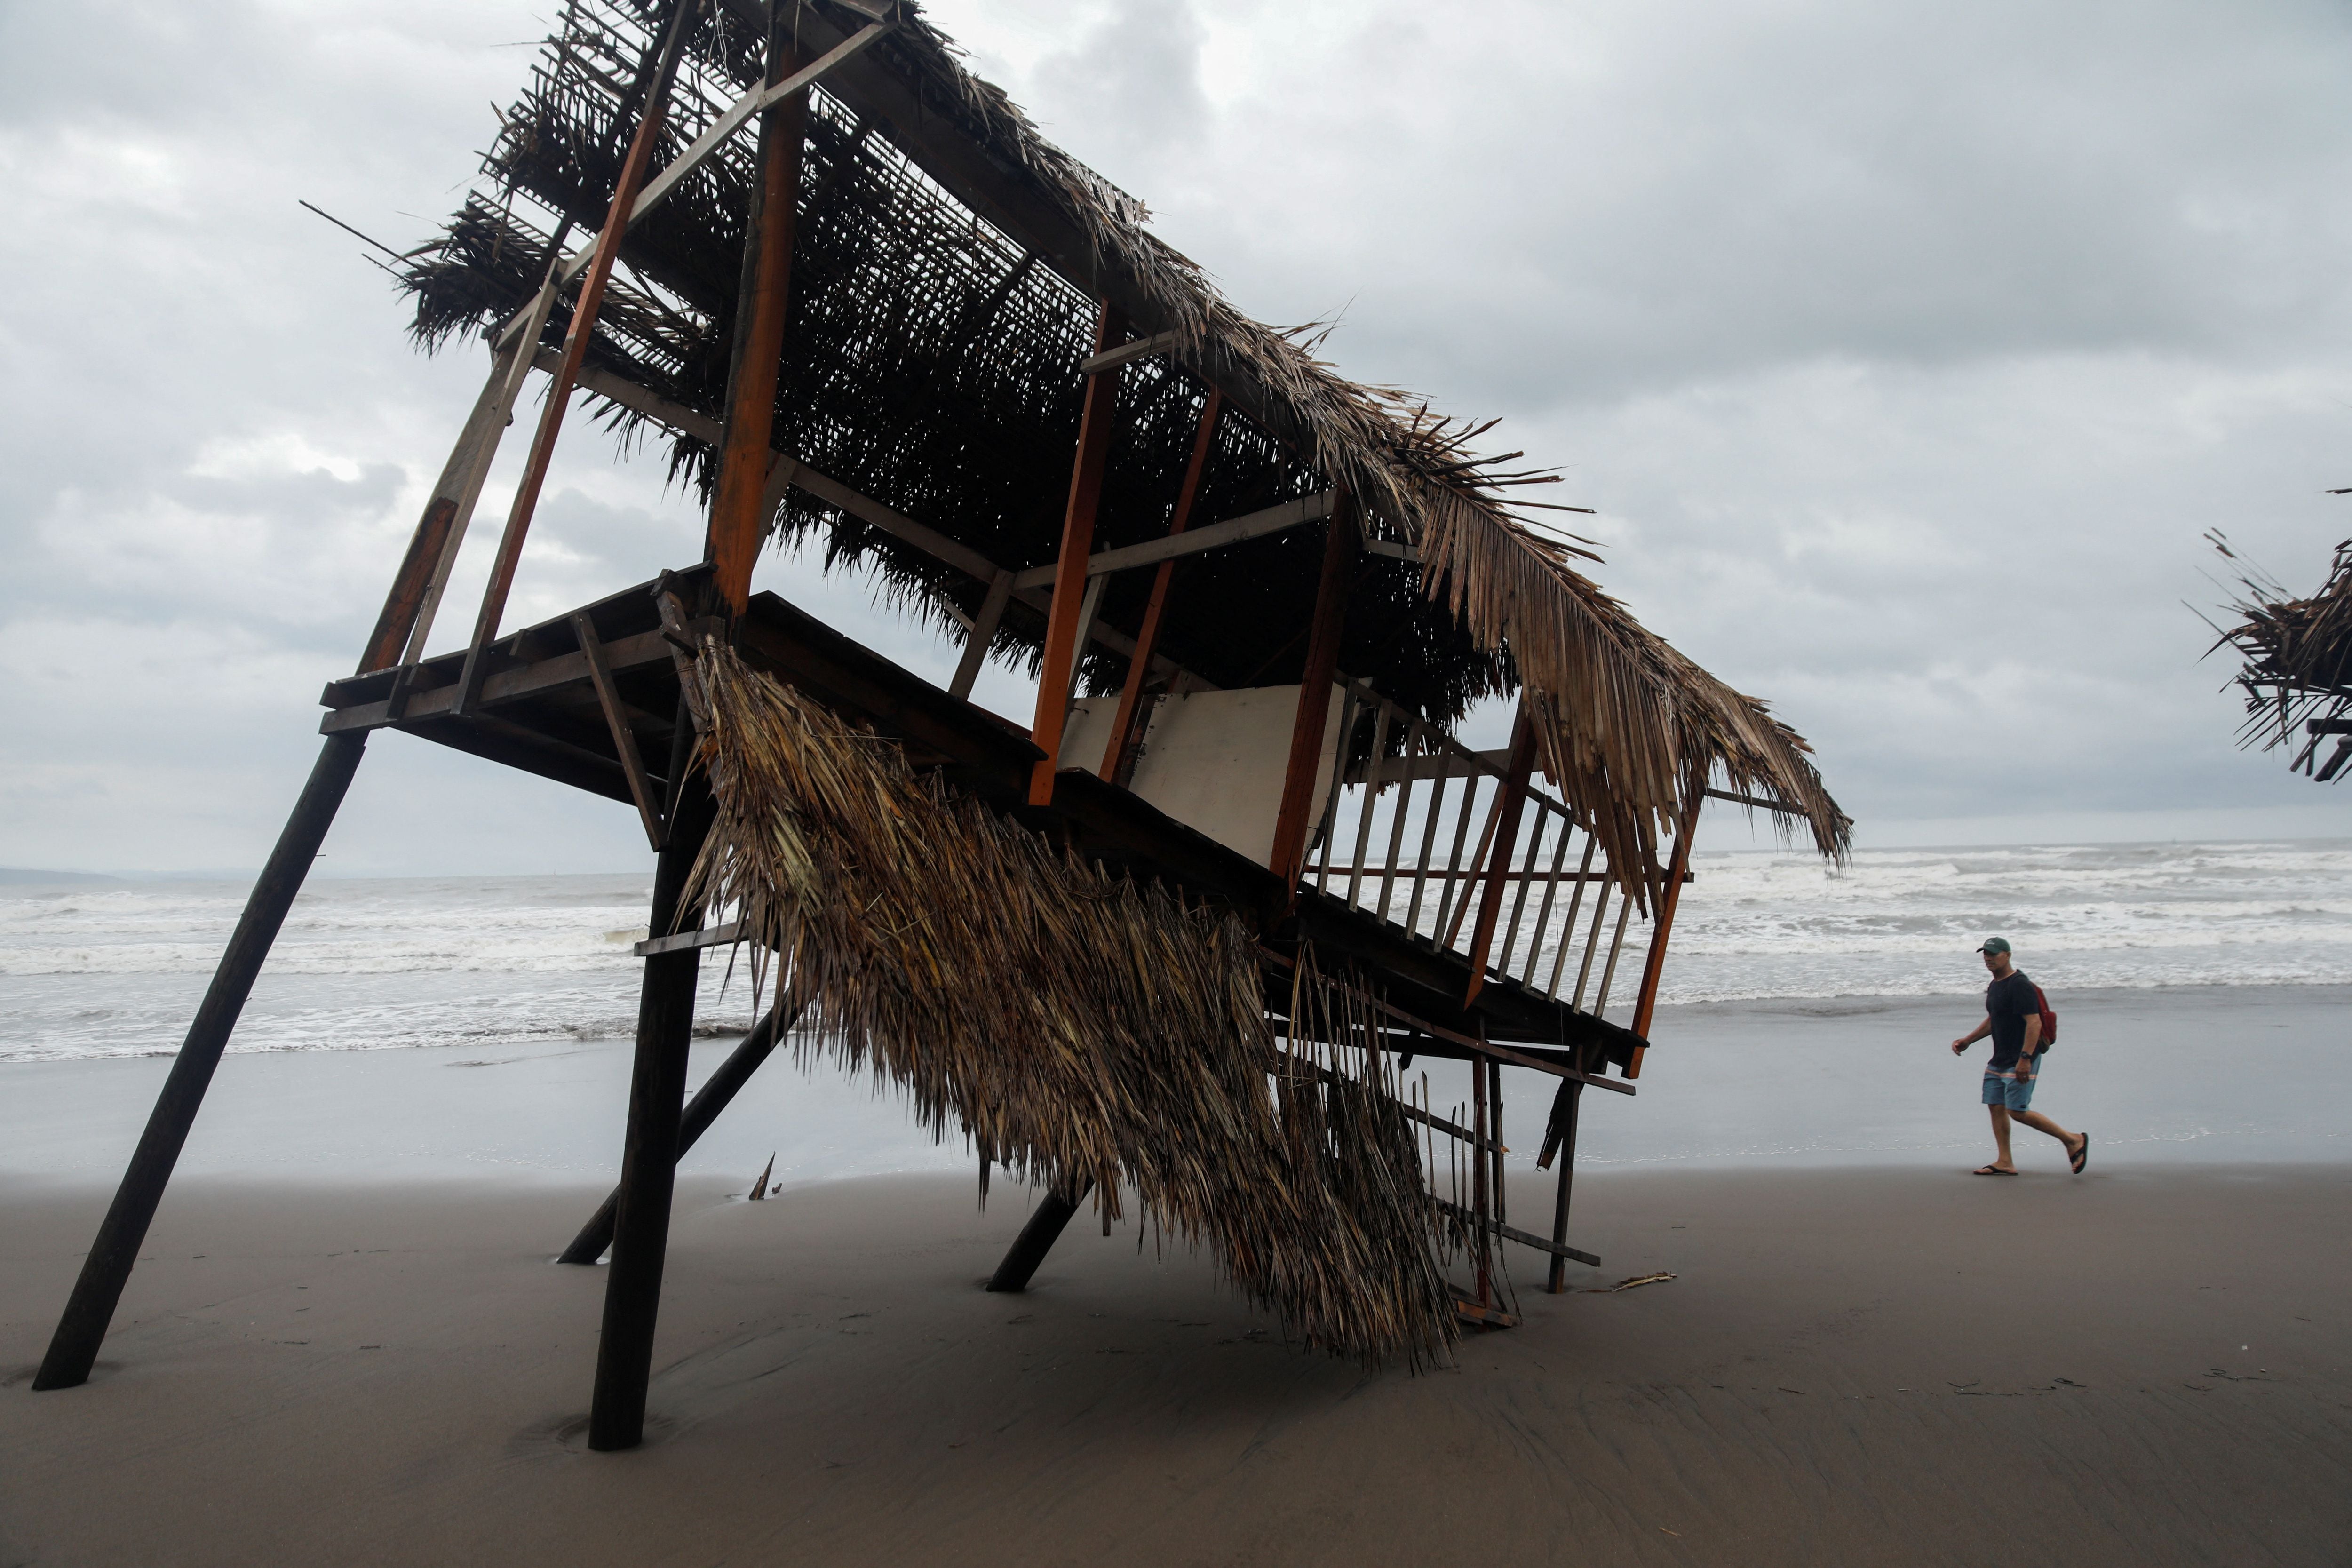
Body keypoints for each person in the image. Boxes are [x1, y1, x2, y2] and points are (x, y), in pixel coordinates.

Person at [1948, 938, 2088, 1176]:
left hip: (2021, 1057)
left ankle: (2073, 1140)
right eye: (1985, 954)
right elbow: (1995, 1020)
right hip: (2000, 1057)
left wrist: (2025, 1058)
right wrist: (1968, 1040)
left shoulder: (2019, 985)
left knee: (2017, 1110)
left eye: (1993, 954)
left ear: (2008, 955)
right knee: (1996, 1106)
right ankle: (2005, 1161)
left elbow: (2033, 1022)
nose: (1988, 958)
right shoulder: (1995, 985)